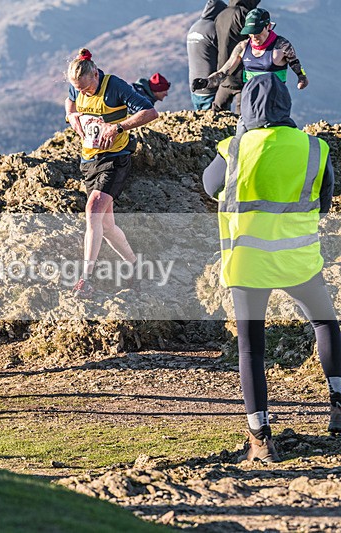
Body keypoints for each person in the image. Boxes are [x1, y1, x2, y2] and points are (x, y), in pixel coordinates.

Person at [202, 73, 341, 462]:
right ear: (286, 106)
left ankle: (261, 439)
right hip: (299, 260)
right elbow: (324, 201)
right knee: (325, 324)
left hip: (248, 264)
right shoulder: (314, 148)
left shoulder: (234, 148)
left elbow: (210, 185)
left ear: (246, 108)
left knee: (251, 350)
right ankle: (339, 408)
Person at [64, 49, 158, 299]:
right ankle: (135, 266)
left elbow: (149, 112)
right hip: (89, 160)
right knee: (106, 225)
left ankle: (86, 279)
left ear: (95, 73)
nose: (82, 92)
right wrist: (71, 115)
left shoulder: (114, 86)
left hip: (115, 159)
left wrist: (117, 127)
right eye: (78, 89)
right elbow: (70, 100)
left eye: (86, 88)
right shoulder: (78, 86)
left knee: (93, 209)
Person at [193, 8, 308, 99]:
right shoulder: (242, 47)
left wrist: (302, 78)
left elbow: (295, 64)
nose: (254, 36)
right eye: (250, 33)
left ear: (268, 26)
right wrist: (206, 82)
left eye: (257, 32)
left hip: (275, 101)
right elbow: (224, 73)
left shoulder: (282, 46)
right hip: (250, 100)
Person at [212, 0, 260, 112]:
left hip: (223, 71)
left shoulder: (221, 15)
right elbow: (254, 43)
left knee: (216, 114)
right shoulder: (246, 14)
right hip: (242, 75)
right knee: (243, 117)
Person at [187, 0, 228, 110]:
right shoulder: (214, 28)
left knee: (201, 122)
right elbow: (225, 54)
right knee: (216, 123)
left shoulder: (194, 27)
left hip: (194, 83)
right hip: (210, 84)